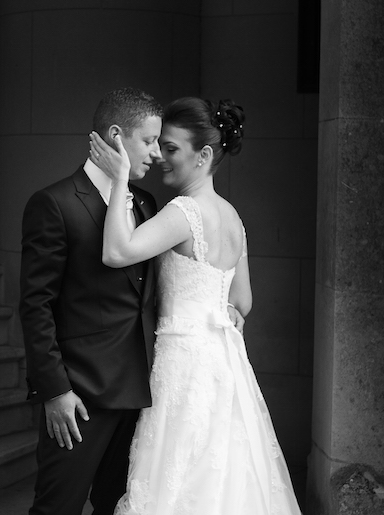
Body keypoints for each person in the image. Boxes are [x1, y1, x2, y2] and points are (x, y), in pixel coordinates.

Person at [88, 97, 301, 515]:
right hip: (225, 363)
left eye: (171, 149)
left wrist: (120, 179)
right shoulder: (232, 216)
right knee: (225, 473)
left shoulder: (185, 211)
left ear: (203, 155)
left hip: (182, 363)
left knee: (177, 473)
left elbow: (116, 251)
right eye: (159, 147)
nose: (161, 157)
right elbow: (242, 302)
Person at [19, 88, 164, 515]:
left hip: (140, 394)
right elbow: (35, 306)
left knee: (116, 508)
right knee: (57, 508)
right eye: (149, 140)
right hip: (79, 397)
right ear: (117, 136)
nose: (156, 153)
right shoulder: (54, 203)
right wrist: (55, 390)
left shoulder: (147, 202)